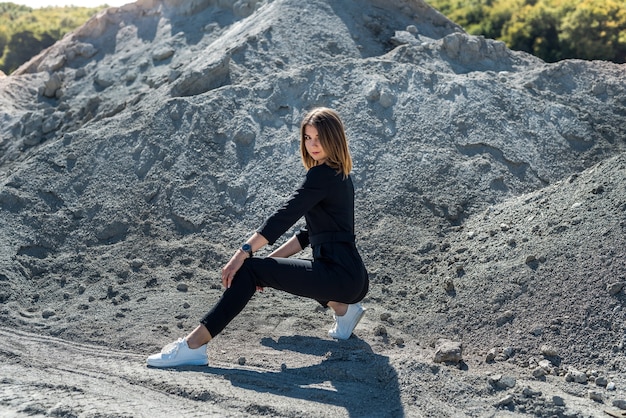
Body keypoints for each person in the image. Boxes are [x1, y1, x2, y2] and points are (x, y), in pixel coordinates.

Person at [147, 107, 369, 367]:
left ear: (334, 138)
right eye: (307, 138)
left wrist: (243, 254)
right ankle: (344, 311)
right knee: (260, 270)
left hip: (340, 277)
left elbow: (284, 216)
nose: (312, 145)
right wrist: (270, 266)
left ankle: (194, 345)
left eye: (318, 138)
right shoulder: (340, 176)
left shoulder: (321, 175)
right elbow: (308, 235)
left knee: (249, 270)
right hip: (351, 279)